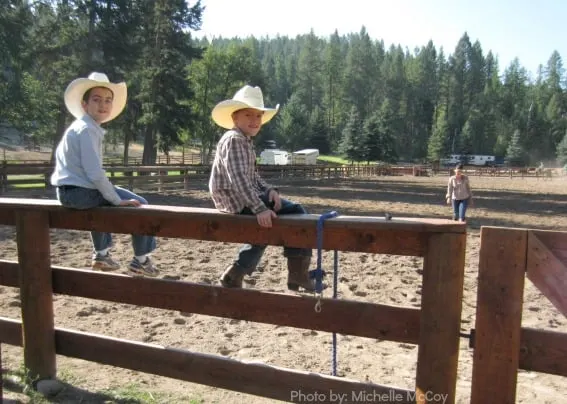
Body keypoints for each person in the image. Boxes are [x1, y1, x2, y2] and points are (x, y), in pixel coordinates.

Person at [51, 72, 159, 277]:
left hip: (67, 192)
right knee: (140, 204)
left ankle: (102, 254)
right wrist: (116, 199)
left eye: (108, 100)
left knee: (101, 202)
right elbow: (94, 173)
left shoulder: (79, 127)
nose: (103, 105)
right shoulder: (87, 130)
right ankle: (141, 260)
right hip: (81, 192)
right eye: (97, 99)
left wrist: (109, 196)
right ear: (85, 104)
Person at [208, 85, 315, 291]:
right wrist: (260, 207)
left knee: (268, 225)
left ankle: (235, 273)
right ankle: (298, 274)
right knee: (297, 213)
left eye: (258, 116)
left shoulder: (243, 140)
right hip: (235, 199)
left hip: (238, 196)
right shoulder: (235, 140)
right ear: (234, 118)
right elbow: (238, 179)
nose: (254, 120)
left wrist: (269, 191)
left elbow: (252, 176)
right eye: (248, 115)